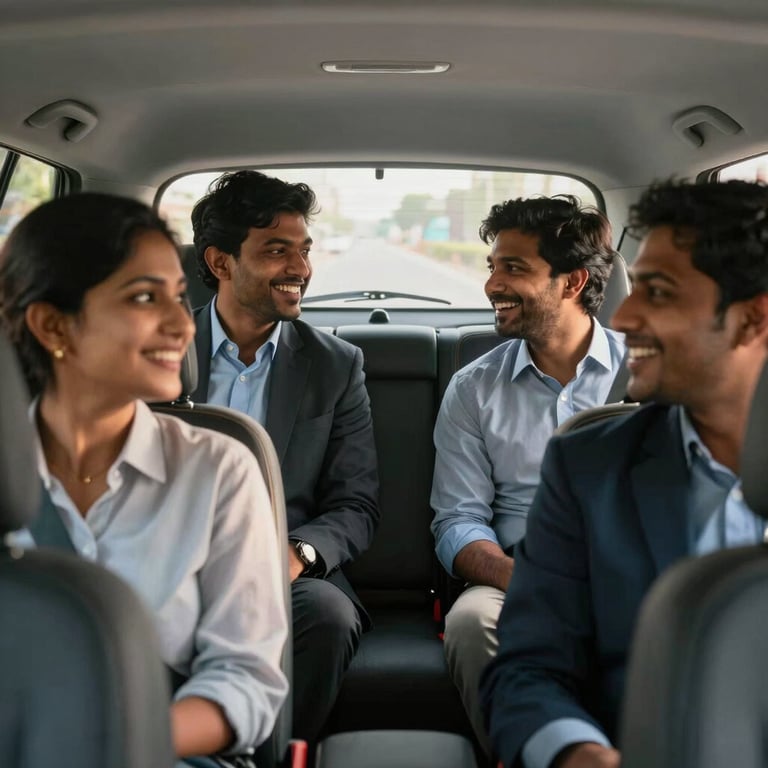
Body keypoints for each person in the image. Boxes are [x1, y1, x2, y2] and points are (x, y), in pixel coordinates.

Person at [480, 179, 768, 768]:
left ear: (750, 318)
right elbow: (529, 669)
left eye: (657, 292)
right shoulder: (590, 464)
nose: (626, 312)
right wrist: (575, 752)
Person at [0, 193, 288, 765]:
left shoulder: (219, 469)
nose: (183, 325)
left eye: (180, 297)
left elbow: (248, 679)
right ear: (54, 324)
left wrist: (111, 743)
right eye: (143, 297)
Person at [430, 195, 626, 755]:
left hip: (630, 573)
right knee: (469, 623)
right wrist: (532, 584)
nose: (492, 284)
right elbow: (457, 522)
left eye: (513, 268)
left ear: (571, 282)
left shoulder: (648, 374)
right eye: (492, 266)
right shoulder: (473, 388)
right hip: (515, 581)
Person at [190, 170, 379, 744]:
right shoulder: (159, 351)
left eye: (304, 251)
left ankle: (269, 757)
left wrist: (296, 554)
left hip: (286, 570)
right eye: (277, 251)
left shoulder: (336, 365)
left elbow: (356, 503)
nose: (300, 270)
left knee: (327, 614)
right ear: (221, 263)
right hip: (170, 557)